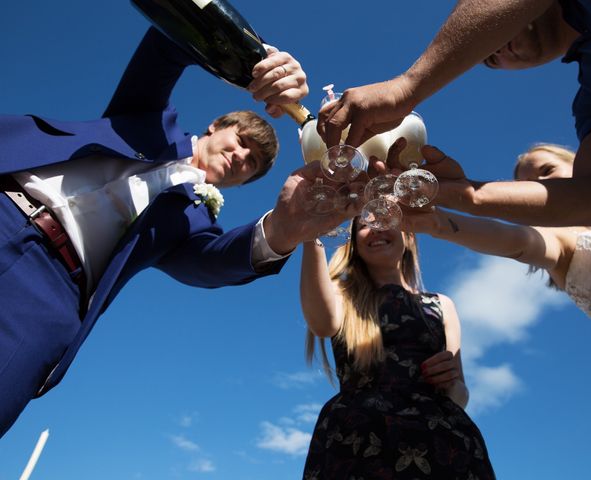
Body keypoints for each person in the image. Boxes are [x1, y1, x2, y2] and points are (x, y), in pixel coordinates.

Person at [0, 26, 352, 438]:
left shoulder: (194, 224)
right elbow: (168, 41)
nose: (241, 157)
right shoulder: (145, 118)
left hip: (50, 294)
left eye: (252, 164)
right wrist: (253, 59)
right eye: (240, 142)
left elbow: (217, 259)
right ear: (214, 125)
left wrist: (283, 230)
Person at [401, 144, 591, 479]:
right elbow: (516, 241)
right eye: (528, 184)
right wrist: (438, 222)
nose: (541, 186)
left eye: (547, 172)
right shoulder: (558, 241)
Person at [316, 0, 591, 227]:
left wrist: (408, 86)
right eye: (488, 58)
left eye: (490, 37)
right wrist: (467, 195)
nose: (494, 50)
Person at [299, 219, 495, 479]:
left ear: (409, 236)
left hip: (440, 442)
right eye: (365, 225)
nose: (377, 228)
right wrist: (312, 232)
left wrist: (449, 383)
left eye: (386, 219)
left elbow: (460, 394)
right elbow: (322, 324)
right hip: (359, 440)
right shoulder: (340, 293)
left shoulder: (442, 305)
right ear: (356, 243)